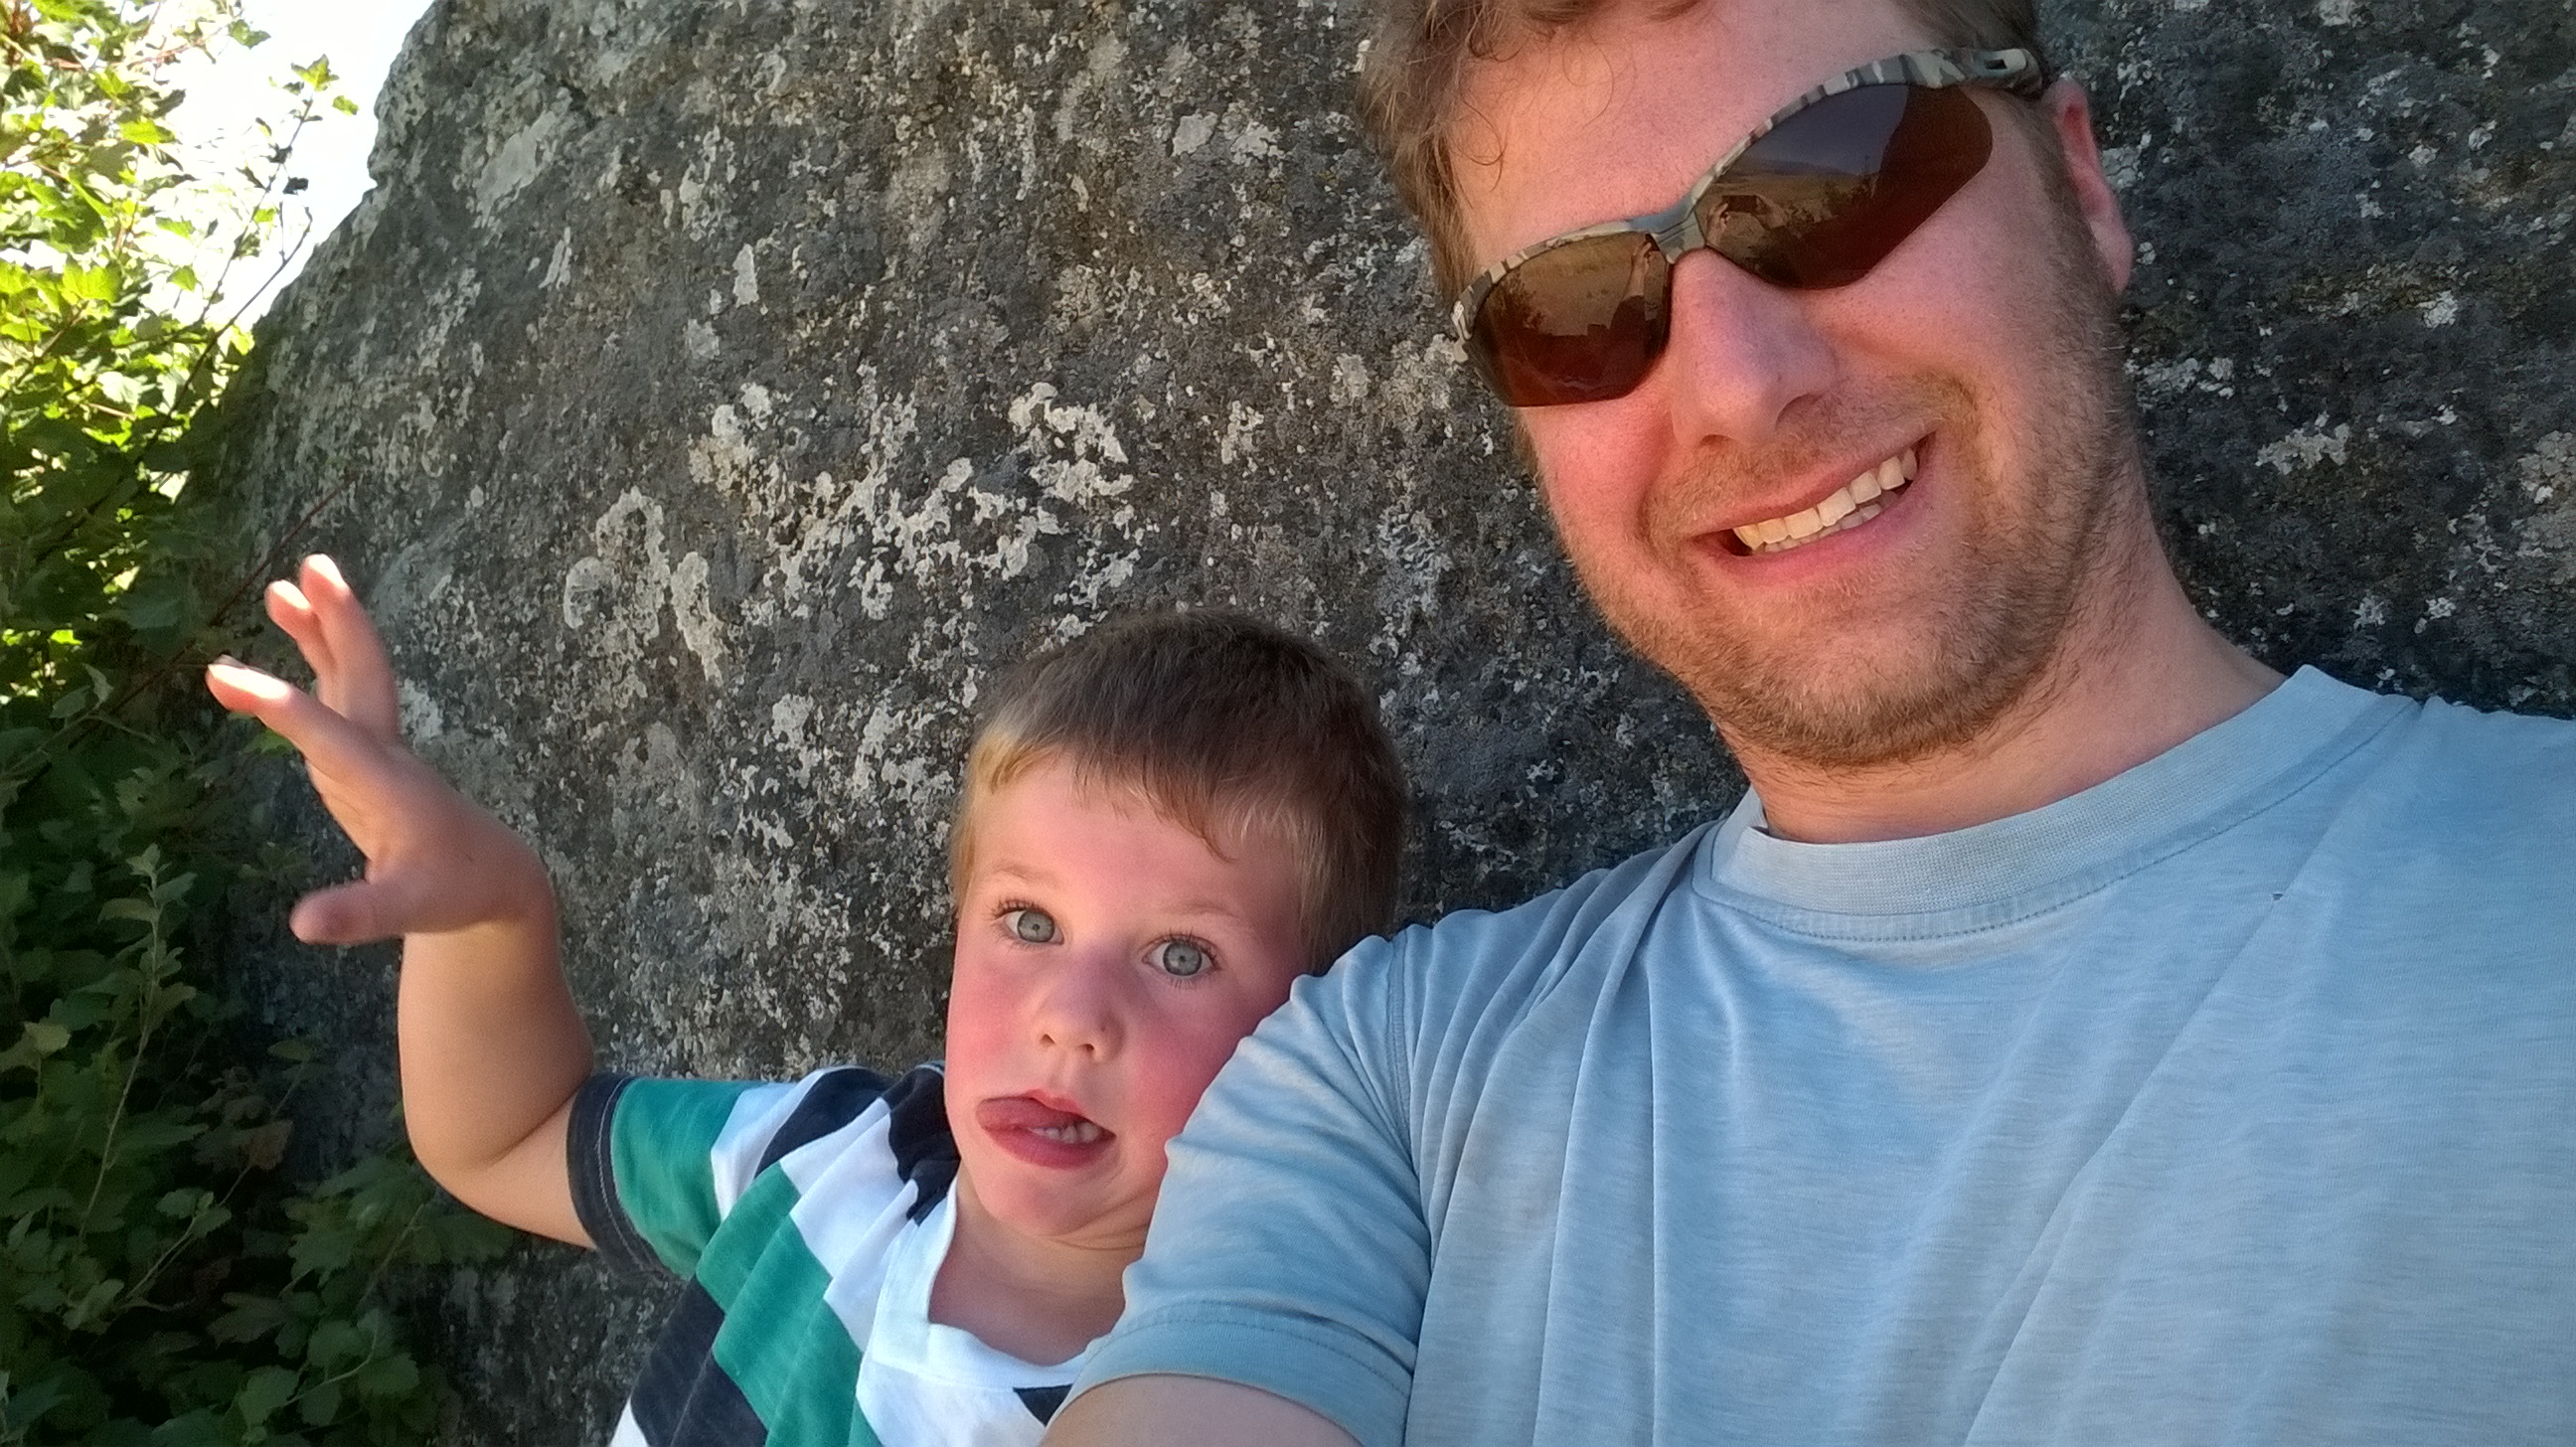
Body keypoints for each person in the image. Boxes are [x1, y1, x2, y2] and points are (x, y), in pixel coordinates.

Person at [1047, 1, 2576, 1444]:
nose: (1738, 384)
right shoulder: (1384, 1087)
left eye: (1834, 177)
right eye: (1572, 305)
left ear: (2080, 187)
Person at [204, 557, 1407, 1447]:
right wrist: (490, 916)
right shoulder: (832, 1159)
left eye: (1182, 955)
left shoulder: (1220, 1397)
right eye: (1029, 922)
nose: (1070, 1013)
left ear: (1317, 1030)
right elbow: (505, 1135)